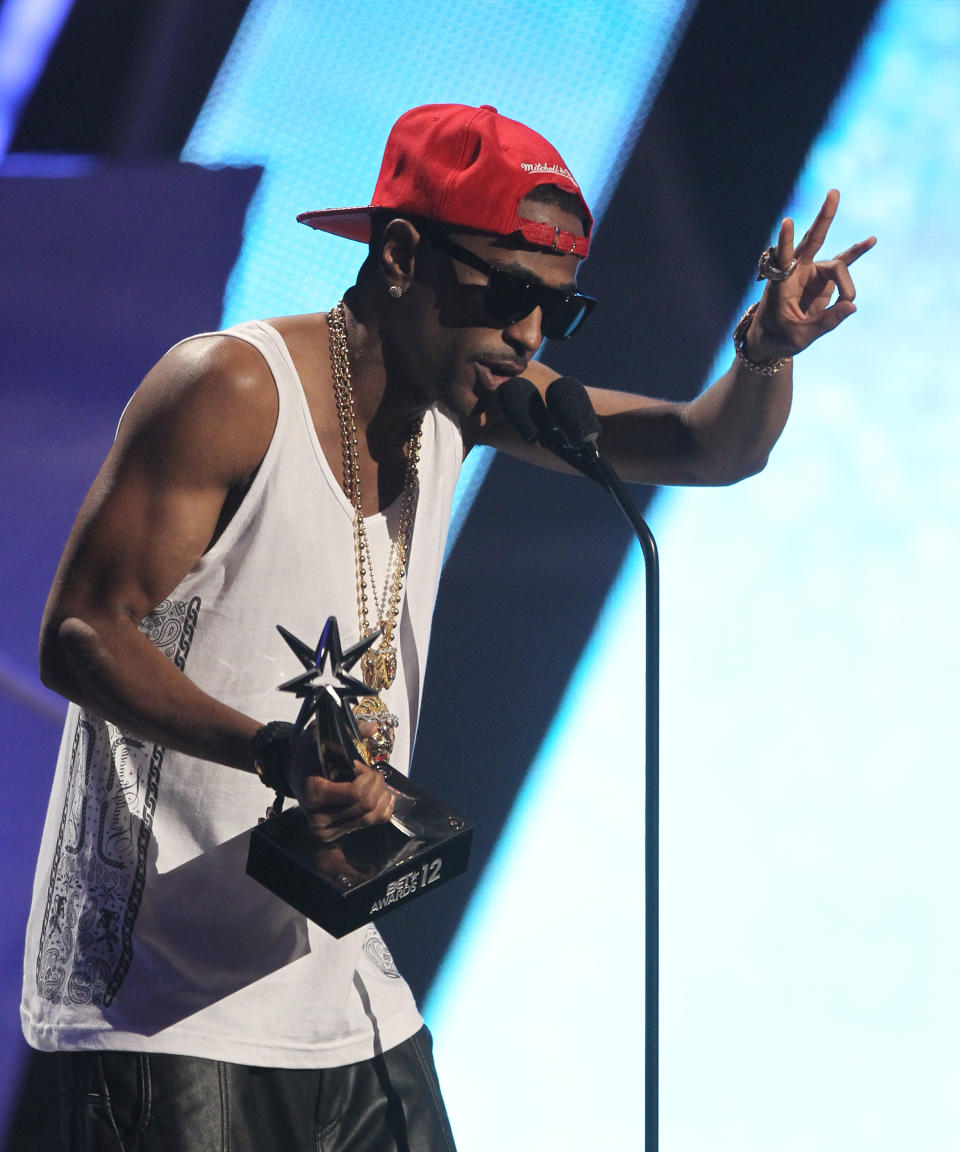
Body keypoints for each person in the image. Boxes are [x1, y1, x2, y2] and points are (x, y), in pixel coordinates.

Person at [21, 103, 874, 1150]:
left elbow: (707, 448)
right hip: (167, 1012)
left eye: (554, 311)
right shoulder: (232, 389)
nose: (526, 335)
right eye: (509, 295)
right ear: (401, 253)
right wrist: (269, 749)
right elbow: (81, 634)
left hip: (350, 1006)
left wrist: (766, 352)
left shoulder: (462, 403)